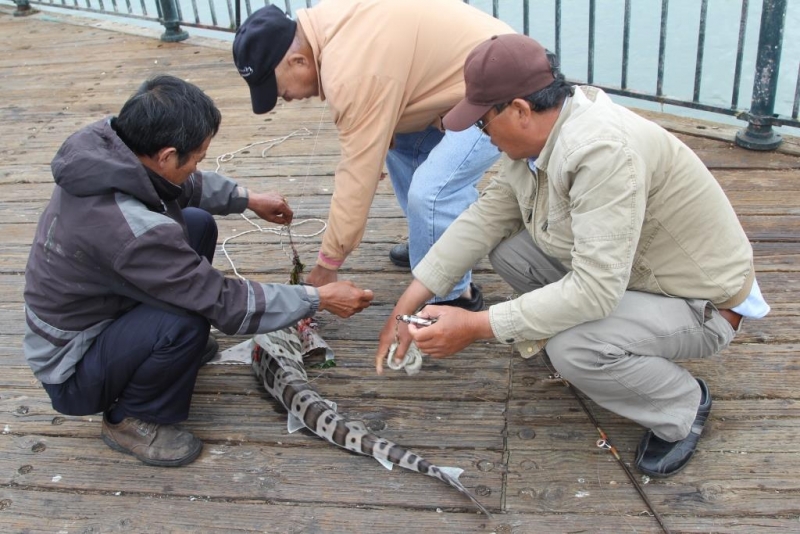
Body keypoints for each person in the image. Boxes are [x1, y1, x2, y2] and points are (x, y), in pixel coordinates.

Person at [375, 34, 770, 478]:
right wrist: (405, 305)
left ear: (521, 110)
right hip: (639, 277)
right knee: (509, 248)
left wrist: (476, 326)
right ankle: (600, 344)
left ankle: (683, 405)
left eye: (483, 124)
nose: (480, 134)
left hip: (704, 304)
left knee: (573, 347)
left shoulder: (602, 152)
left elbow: (596, 291)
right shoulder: (548, 132)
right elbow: (485, 217)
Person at [23, 75, 374, 468]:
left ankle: (154, 351)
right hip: (73, 369)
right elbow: (224, 302)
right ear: (166, 155)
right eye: (196, 158)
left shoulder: (112, 153)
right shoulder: (129, 228)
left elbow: (180, 187)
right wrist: (317, 299)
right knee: (187, 320)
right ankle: (129, 418)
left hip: (103, 309)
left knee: (197, 223)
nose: (196, 167)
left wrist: (247, 199)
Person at [232, 0, 515, 310]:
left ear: (298, 61)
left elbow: (357, 175)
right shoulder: (329, 22)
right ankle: (432, 241)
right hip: (458, 81)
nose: (289, 99)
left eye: (282, 93)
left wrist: (328, 264)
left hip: (500, 96)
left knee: (433, 192)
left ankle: (452, 294)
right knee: (399, 142)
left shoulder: (349, 73)